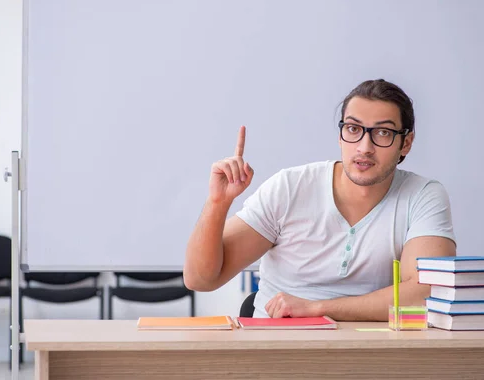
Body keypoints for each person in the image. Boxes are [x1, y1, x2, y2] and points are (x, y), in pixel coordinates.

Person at [183, 79, 457, 320]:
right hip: (274, 350)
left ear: (405, 143)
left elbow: (427, 293)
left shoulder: (423, 195)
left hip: (366, 356)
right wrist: (218, 203)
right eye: (353, 129)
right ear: (340, 135)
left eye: (383, 133)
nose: (364, 147)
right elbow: (200, 279)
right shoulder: (290, 187)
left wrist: (317, 308)